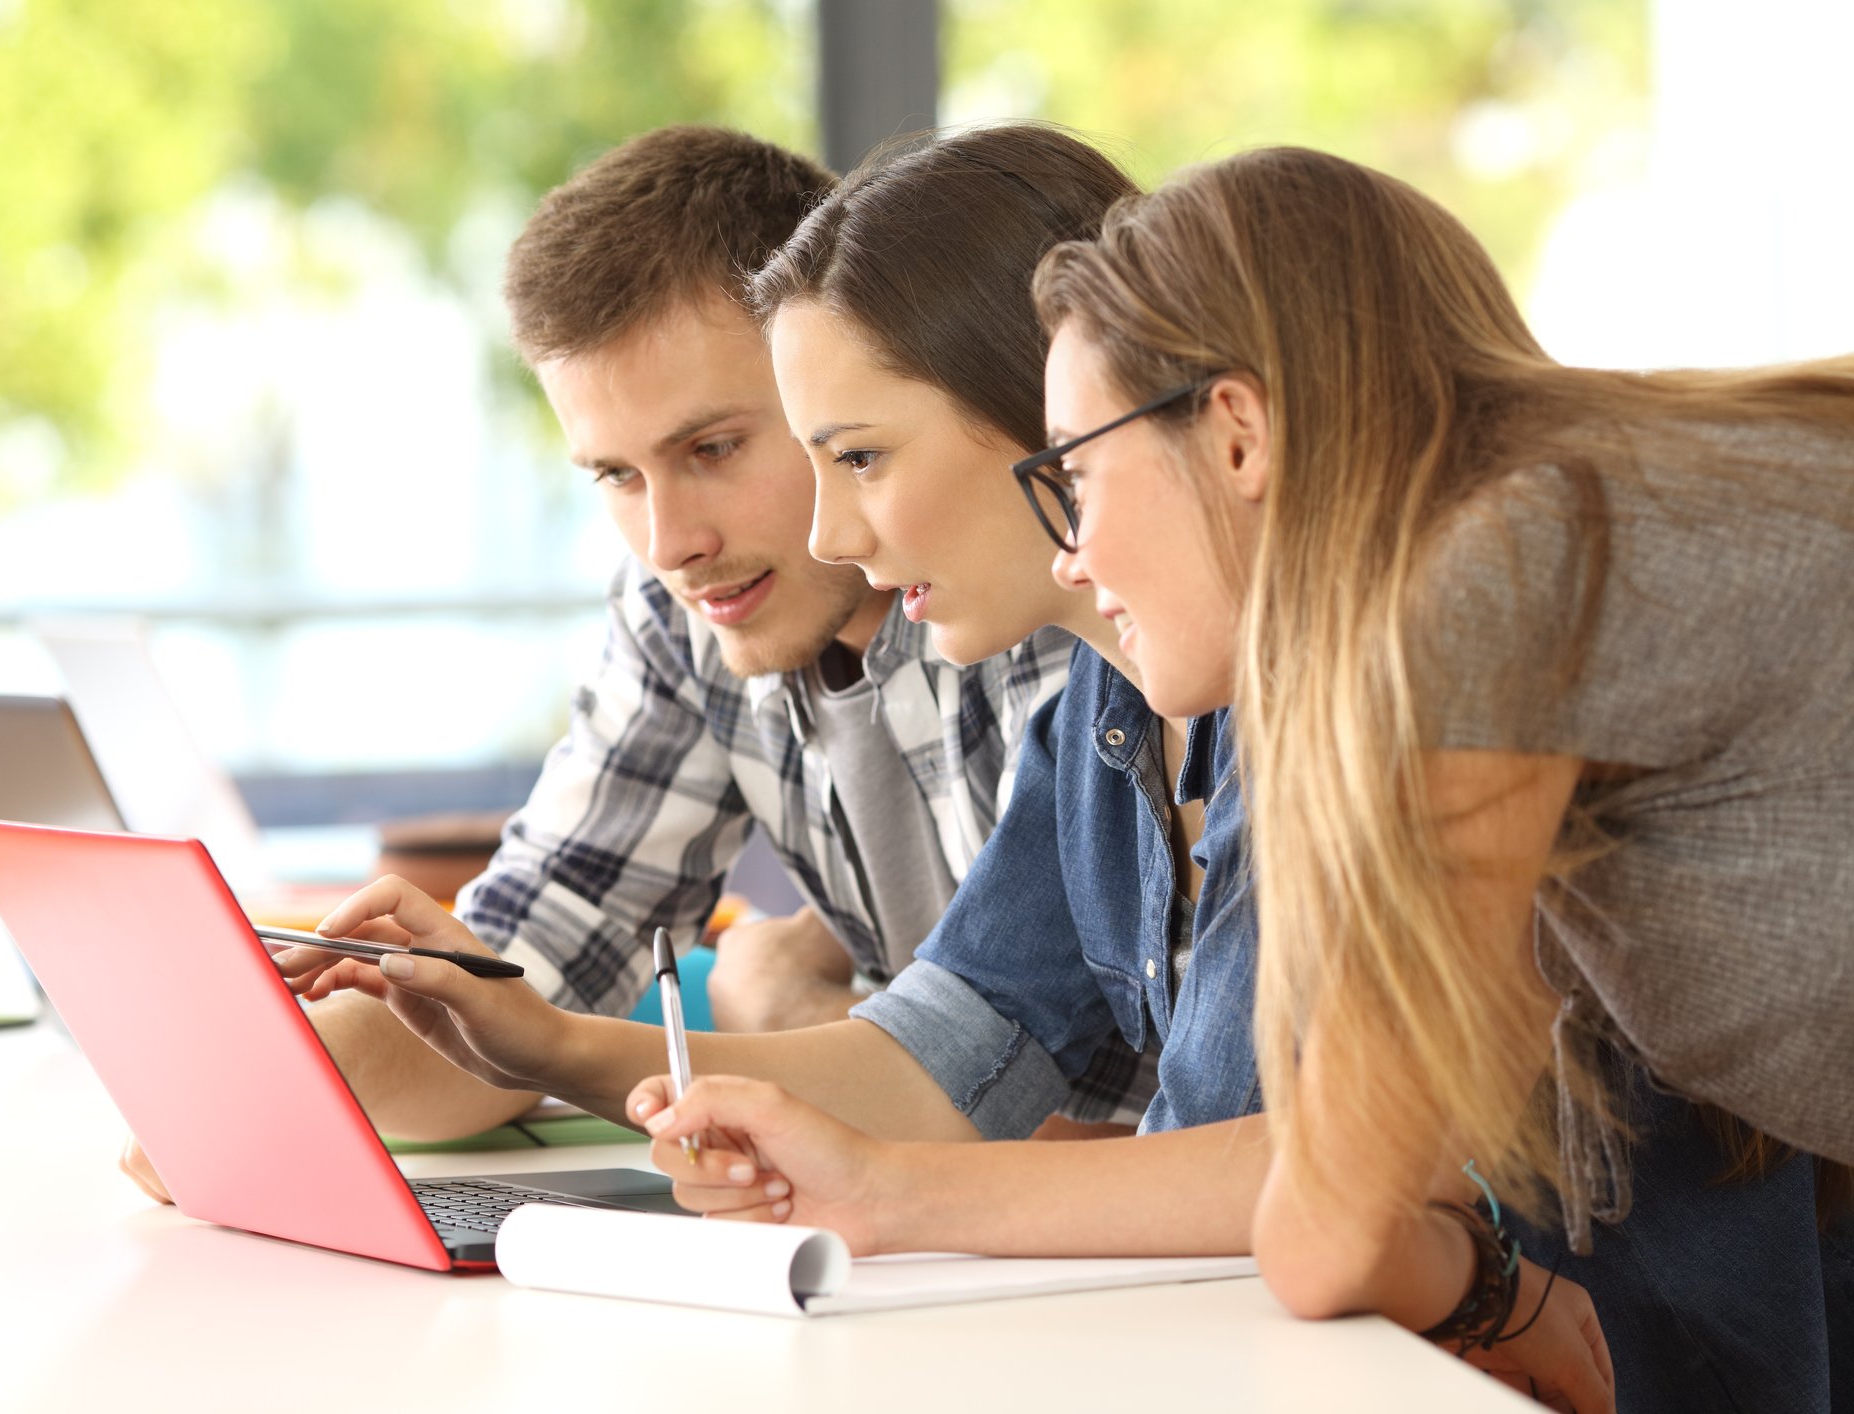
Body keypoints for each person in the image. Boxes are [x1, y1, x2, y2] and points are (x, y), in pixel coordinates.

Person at [278, 128, 1852, 1411]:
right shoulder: (1166, 705)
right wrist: (868, 1176)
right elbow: (1312, 1175)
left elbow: (1326, 1213)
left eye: (1072, 471)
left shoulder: (1465, 596)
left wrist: (1452, 1261)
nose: (1074, 544)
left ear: (1231, 432)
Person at [115, 127, 1075, 1198]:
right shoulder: (690, 612)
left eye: (712, 450)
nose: (671, 541)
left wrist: (799, 1018)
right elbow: (522, 978)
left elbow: (1100, 1091)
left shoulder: (1047, 596)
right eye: (615, 476)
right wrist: (263, 1079)